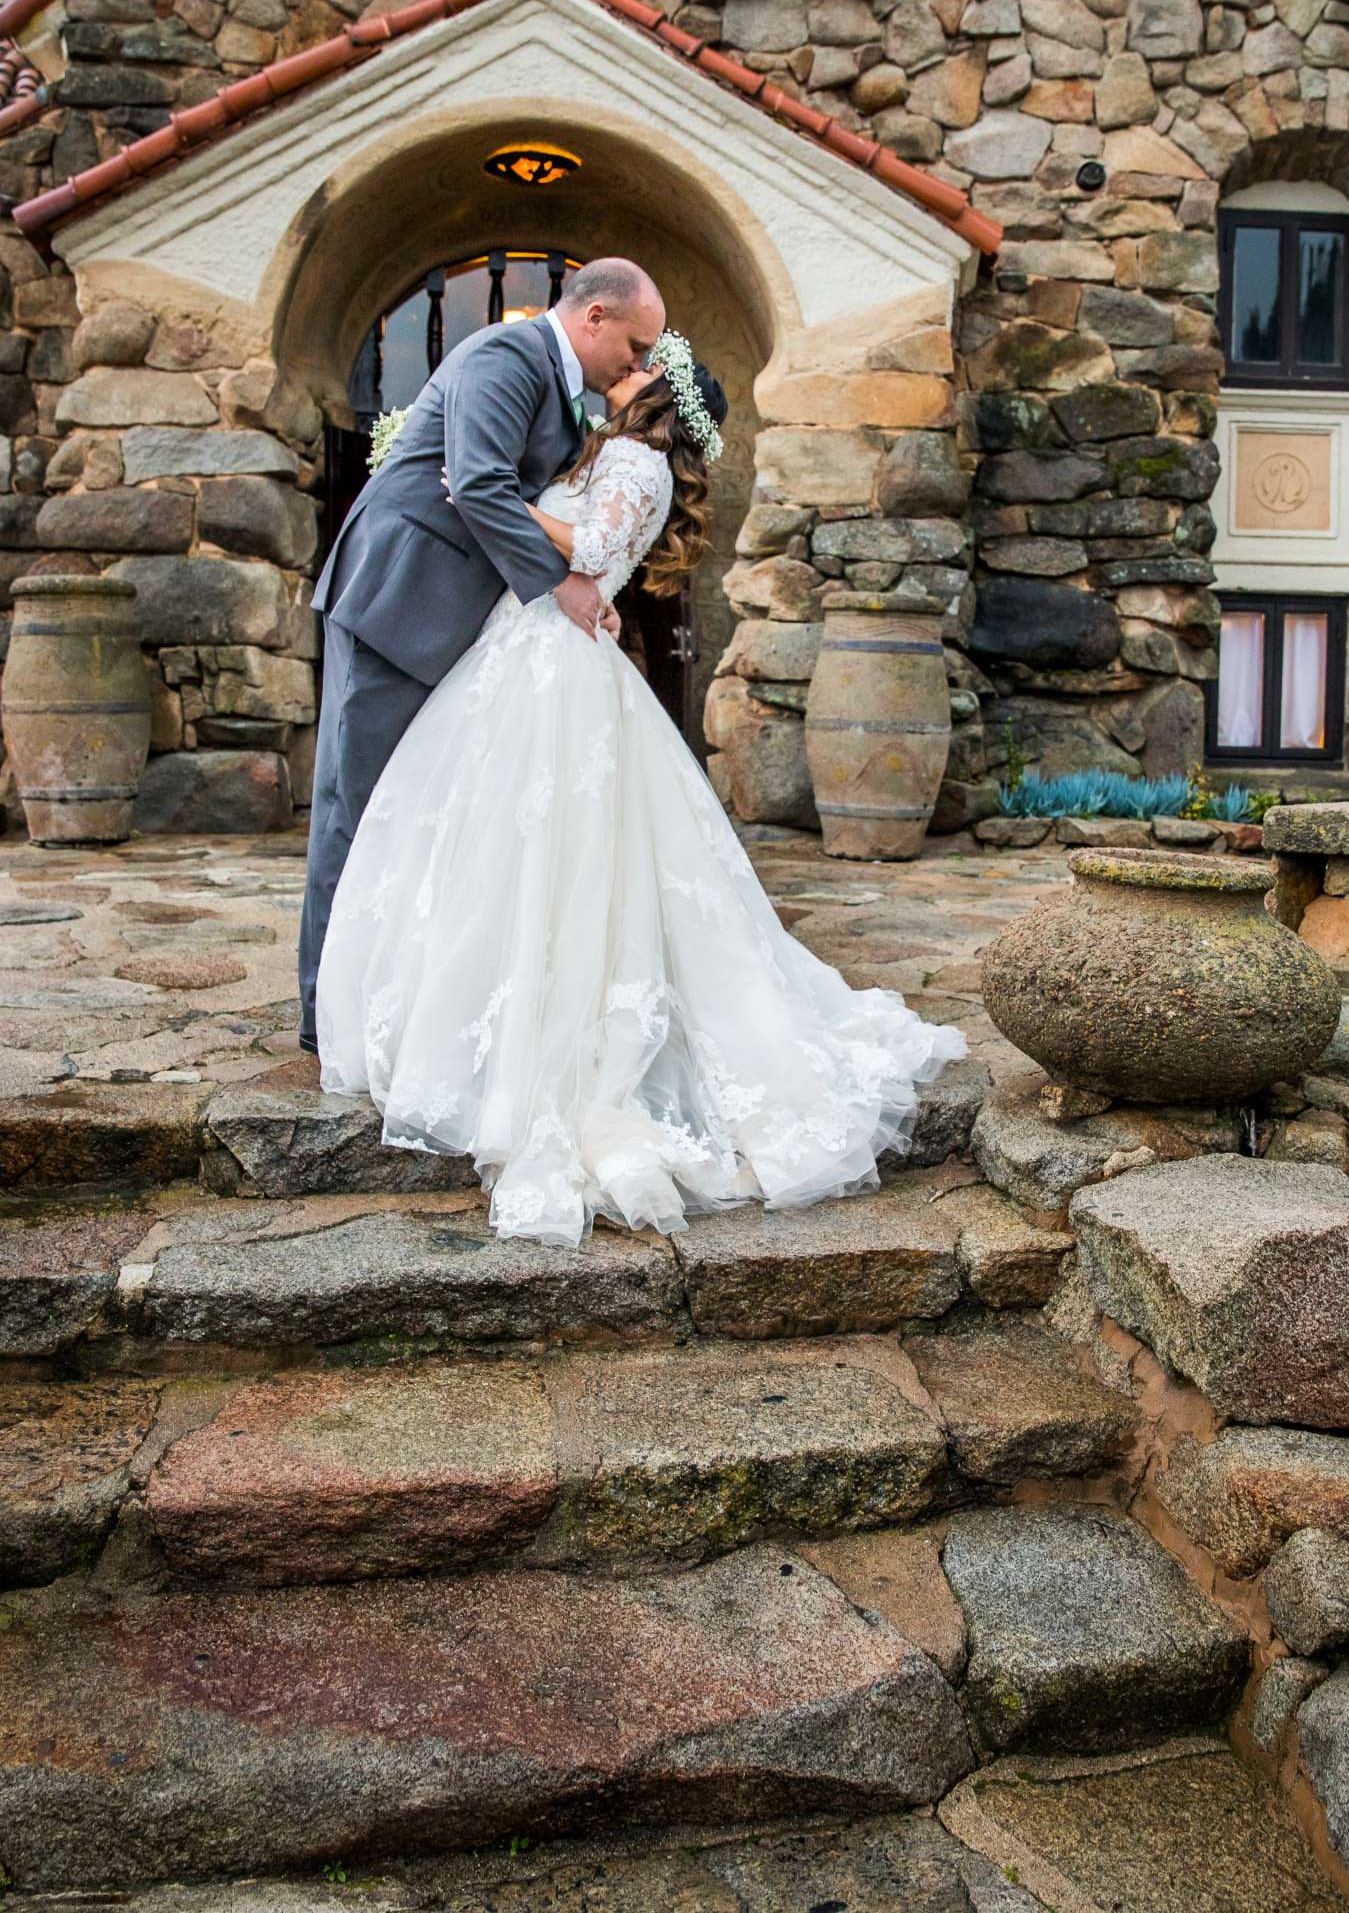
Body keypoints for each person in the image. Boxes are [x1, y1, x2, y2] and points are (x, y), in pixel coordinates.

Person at [314, 329, 966, 1248]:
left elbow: (595, 546)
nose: (622, 373)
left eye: (639, 367)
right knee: (504, 842)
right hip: (528, 648)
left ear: (663, 394)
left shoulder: (637, 462)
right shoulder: (610, 449)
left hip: (554, 664)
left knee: (564, 852)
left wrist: (499, 500)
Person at [296, 257, 664, 1056]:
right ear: (594, 316)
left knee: (410, 816)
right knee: (358, 812)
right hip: (399, 600)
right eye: (633, 347)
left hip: (452, 617)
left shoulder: (565, 393)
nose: (636, 367)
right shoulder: (506, 357)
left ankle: (392, 1001)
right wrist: (560, 590)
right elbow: (479, 484)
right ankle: (328, 1017)